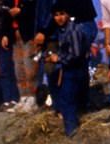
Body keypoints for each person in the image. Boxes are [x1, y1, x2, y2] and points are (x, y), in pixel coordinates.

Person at [44, 0, 91, 135]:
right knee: (68, 101)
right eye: (56, 15)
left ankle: (72, 133)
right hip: (70, 69)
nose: (59, 18)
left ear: (68, 14)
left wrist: (58, 58)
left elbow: (75, 55)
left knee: (68, 102)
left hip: (75, 70)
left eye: (62, 14)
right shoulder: (62, 31)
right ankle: (71, 130)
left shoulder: (73, 30)